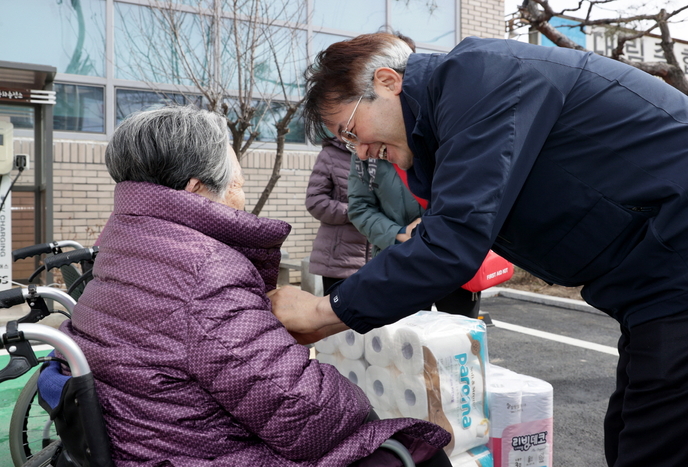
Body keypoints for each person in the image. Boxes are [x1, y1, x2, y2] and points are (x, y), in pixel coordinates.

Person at [268, 32, 688, 467]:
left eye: (351, 130)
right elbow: (446, 232)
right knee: (630, 431)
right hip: (654, 282)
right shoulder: (451, 120)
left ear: (386, 81)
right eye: (345, 144)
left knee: (654, 442)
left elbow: (451, 243)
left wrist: (322, 312)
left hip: (684, 254)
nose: (361, 151)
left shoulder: (480, 78)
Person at [53, 106, 451, 466]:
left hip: (145, 442)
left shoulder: (123, 246)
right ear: (196, 191)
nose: (242, 202)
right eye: (236, 187)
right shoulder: (203, 268)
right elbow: (301, 410)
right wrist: (355, 400)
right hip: (200, 452)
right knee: (419, 453)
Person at [348, 155, 480, 317]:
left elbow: (469, 187)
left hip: (452, 253)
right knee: (406, 336)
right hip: (400, 260)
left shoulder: (439, 132)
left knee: (462, 335)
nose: (350, 139)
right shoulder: (364, 155)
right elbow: (359, 207)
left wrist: (431, 225)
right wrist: (398, 233)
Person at [306, 137, 368, 295]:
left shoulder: (382, 153)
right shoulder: (330, 155)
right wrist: (357, 212)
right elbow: (315, 202)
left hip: (378, 260)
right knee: (337, 318)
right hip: (339, 260)